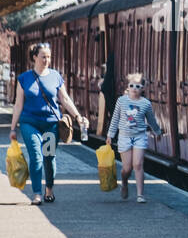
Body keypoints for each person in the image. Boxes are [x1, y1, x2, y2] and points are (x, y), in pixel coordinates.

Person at [9, 41, 88, 206]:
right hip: (30, 123)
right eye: (43, 57)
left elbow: (64, 99)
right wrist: (12, 128)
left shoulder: (55, 76)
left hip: (51, 125)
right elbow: (18, 104)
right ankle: (37, 193)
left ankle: (49, 189)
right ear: (34, 57)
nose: (46, 60)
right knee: (36, 157)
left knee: (49, 158)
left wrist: (78, 116)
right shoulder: (24, 79)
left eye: (49, 57)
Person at [106, 72, 164, 203]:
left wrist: (157, 132)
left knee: (138, 164)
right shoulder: (121, 101)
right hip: (124, 137)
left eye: (138, 86)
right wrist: (110, 135)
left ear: (143, 88)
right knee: (127, 168)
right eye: (132, 85)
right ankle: (125, 182)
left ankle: (140, 195)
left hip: (139, 136)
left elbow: (151, 120)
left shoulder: (145, 104)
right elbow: (115, 119)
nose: (134, 88)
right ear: (127, 86)